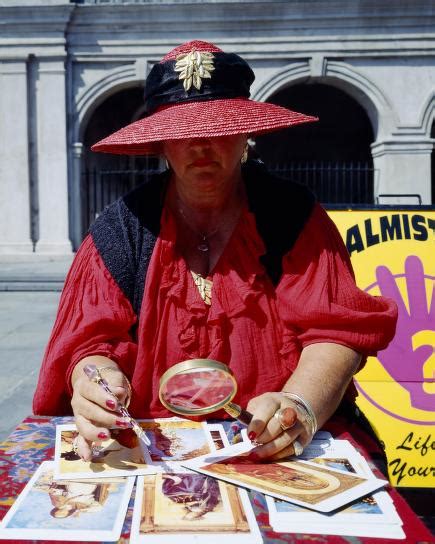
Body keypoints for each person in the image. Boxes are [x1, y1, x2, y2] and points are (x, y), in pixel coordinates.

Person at [33, 40, 397, 463]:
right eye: (184, 134)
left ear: (245, 135)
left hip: (281, 447)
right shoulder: (119, 229)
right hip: (153, 447)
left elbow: (336, 331)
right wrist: (96, 381)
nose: (202, 146)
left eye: (219, 129)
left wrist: (298, 404)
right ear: (161, 144)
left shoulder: (295, 216)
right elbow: (89, 343)